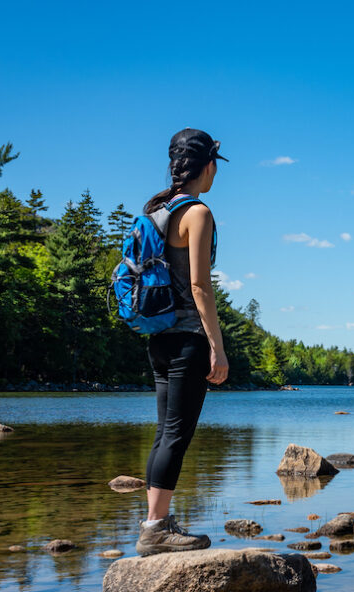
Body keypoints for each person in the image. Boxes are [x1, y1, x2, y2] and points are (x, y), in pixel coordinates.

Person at [135, 128, 230, 556]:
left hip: (158, 338)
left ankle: (157, 521)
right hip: (188, 339)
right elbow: (199, 285)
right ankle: (156, 528)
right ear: (206, 165)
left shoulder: (157, 209)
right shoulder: (198, 213)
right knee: (177, 435)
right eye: (215, 166)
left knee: (166, 433)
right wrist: (218, 346)